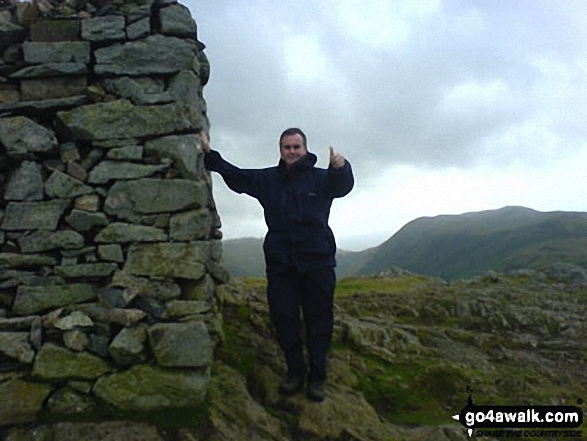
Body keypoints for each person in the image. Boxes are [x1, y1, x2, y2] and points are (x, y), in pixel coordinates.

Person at [200, 128, 354, 402]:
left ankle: (317, 377)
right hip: (281, 264)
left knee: (320, 321)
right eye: (287, 147)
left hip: (317, 262)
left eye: (296, 146)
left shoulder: (322, 178)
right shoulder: (268, 179)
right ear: (280, 150)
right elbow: (238, 178)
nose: (292, 151)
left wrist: (342, 167)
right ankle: (295, 372)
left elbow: (342, 187)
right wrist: (211, 155)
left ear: (305, 149)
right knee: (284, 320)